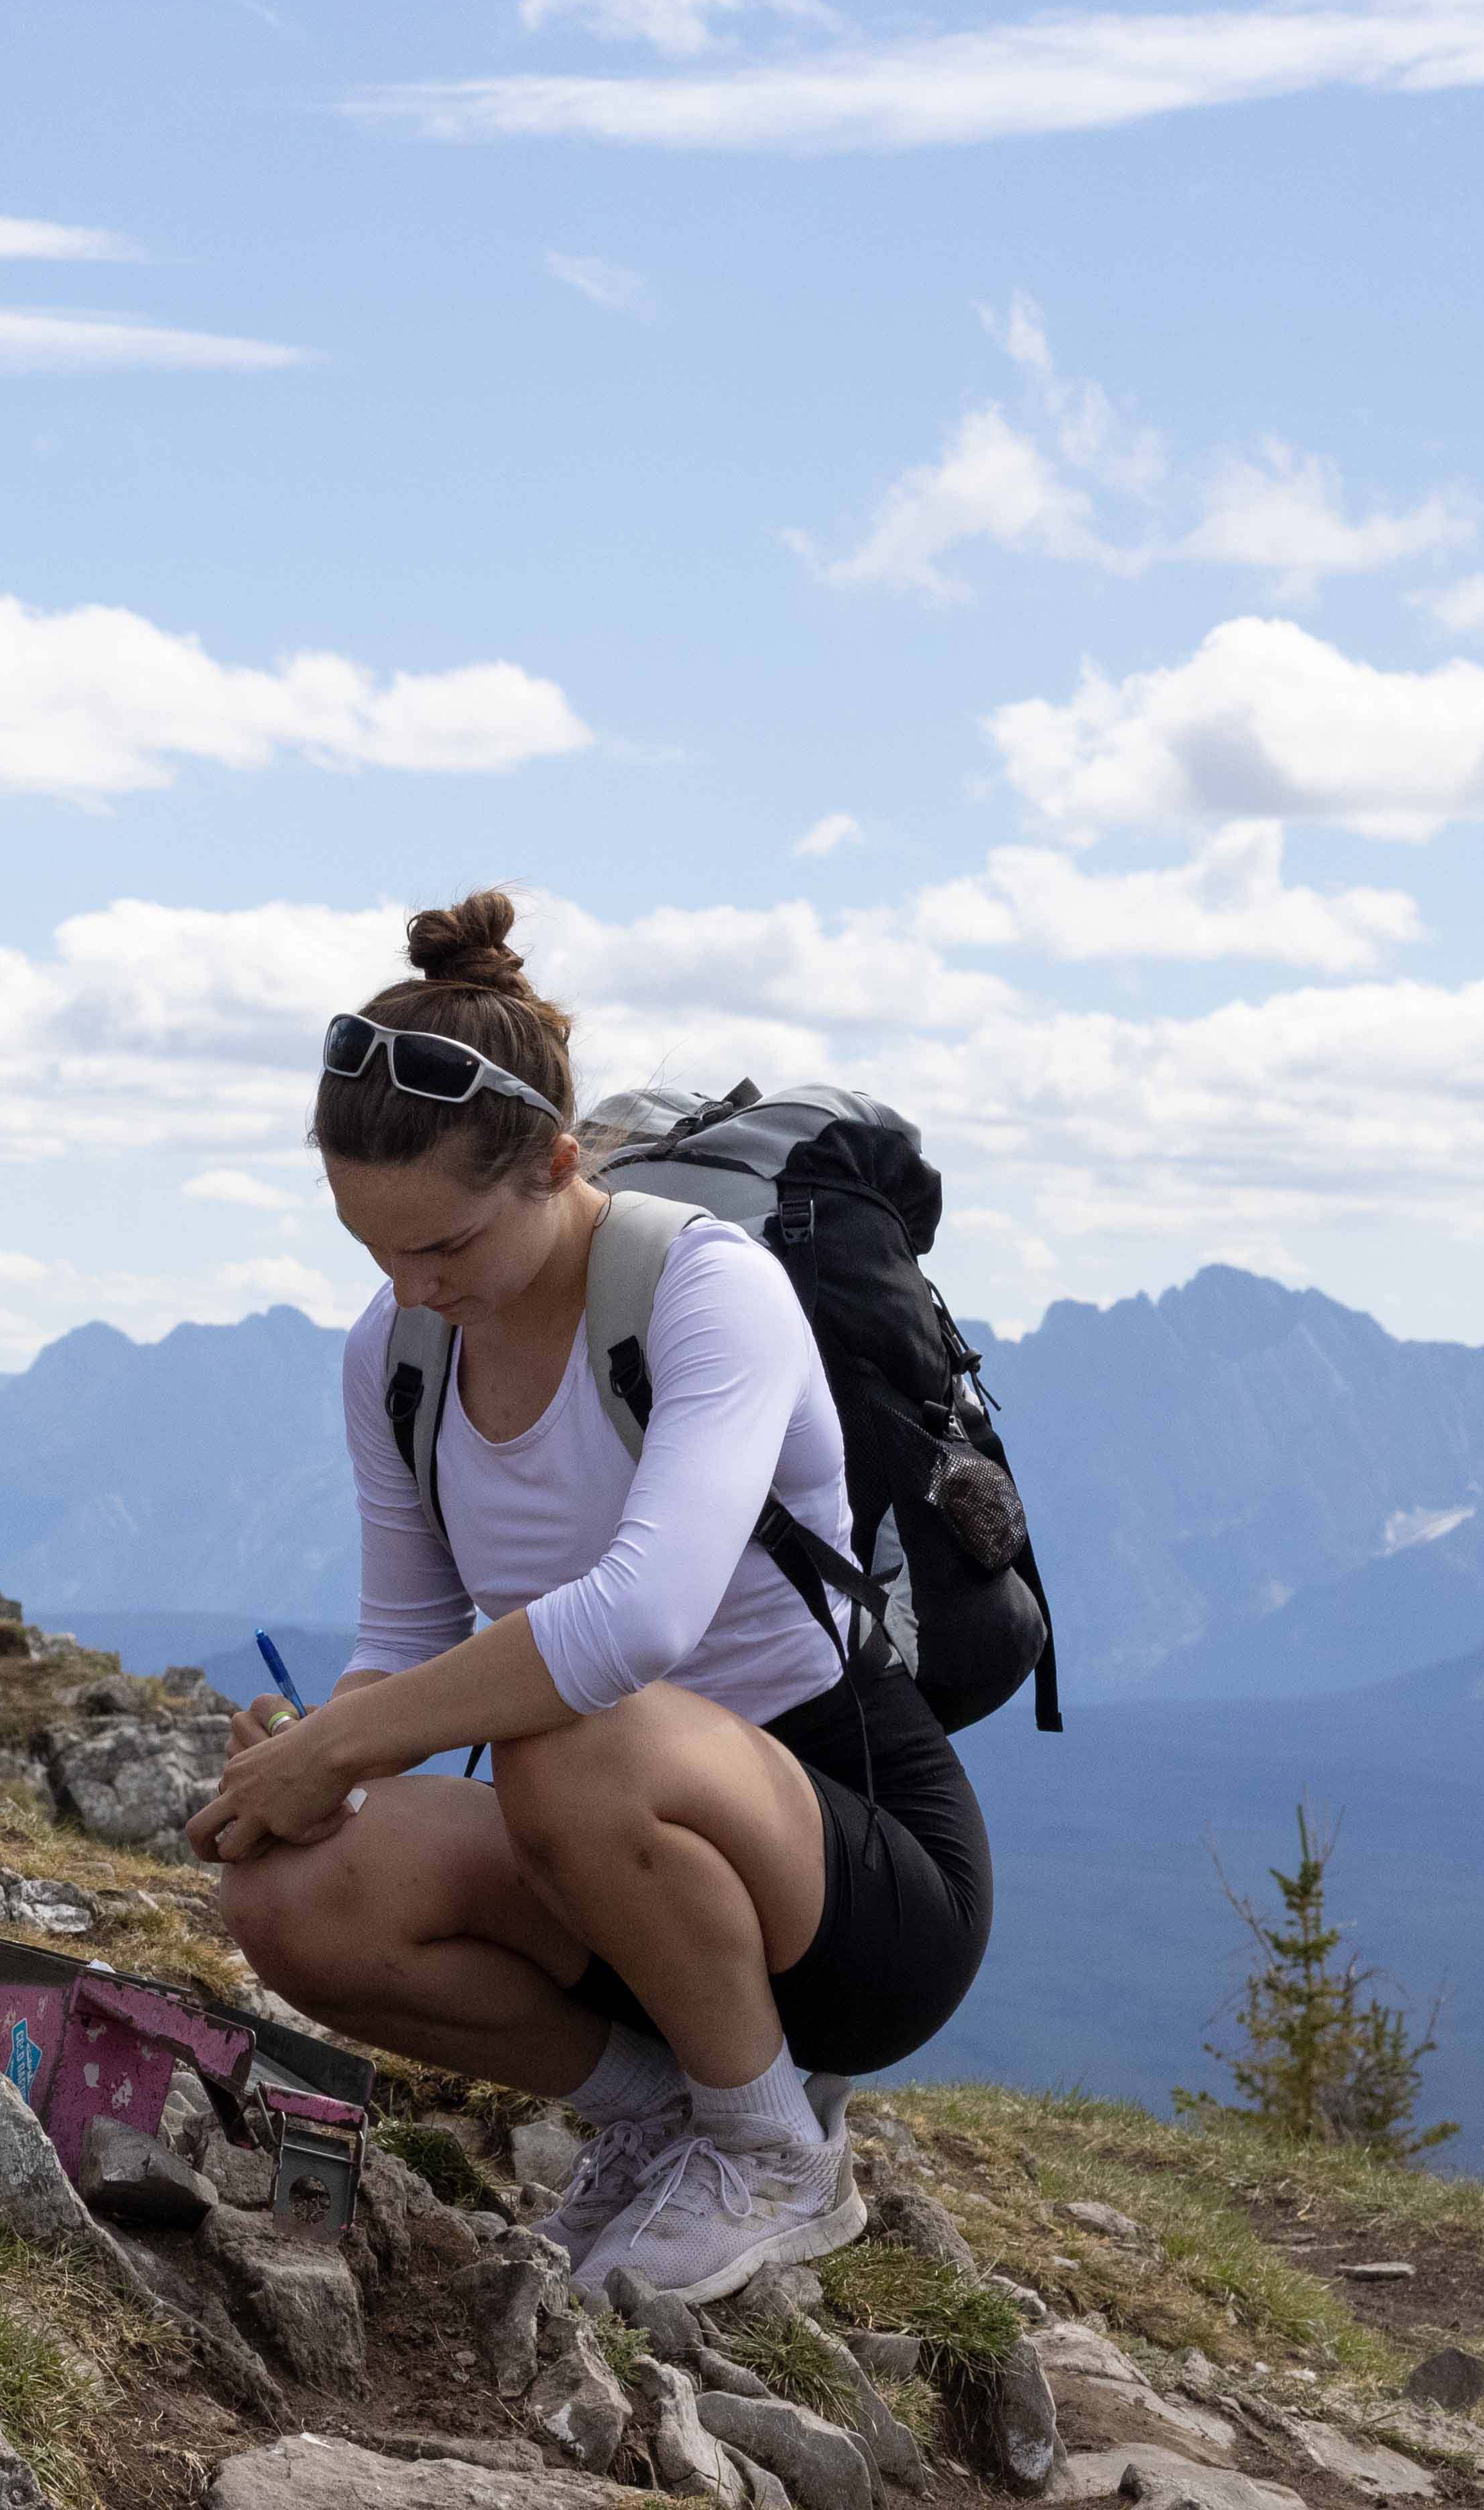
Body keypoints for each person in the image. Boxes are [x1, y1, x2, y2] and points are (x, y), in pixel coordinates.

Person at [187, 891, 993, 2300]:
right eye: (375, 1248)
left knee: (572, 1723)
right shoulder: (401, 1351)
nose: (413, 1285)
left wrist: (351, 1745)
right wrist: (319, 1756)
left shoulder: (704, 1288)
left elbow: (637, 1622)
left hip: (854, 1866)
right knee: (293, 1893)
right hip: (600, 1861)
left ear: (560, 1166)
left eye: (444, 1246)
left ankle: (774, 2149)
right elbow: (405, 1640)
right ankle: (659, 2114)